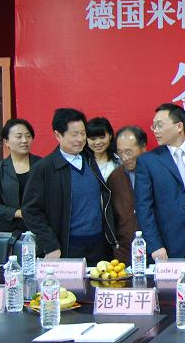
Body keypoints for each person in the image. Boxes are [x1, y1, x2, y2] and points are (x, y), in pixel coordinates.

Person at [22, 108, 116, 263]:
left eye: (83, 133)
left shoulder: (90, 159)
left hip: (99, 244)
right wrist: (50, 244)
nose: (80, 139)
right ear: (58, 135)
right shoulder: (45, 168)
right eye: (74, 134)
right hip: (68, 246)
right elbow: (30, 211)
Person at [134, 103, 185, 261]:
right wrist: (155, 245)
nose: (155, 130)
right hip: (167, 241)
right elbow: (143, 208)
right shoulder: (148, 161)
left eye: (160, 125)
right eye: (154, 126)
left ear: (179, 126)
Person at [0, 118, 41, 234]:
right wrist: (18, 213)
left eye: (28, 136)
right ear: (6, 142)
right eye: (19, 137)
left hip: (40, 229)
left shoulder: (43, 165)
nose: (24, 140)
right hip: (9, 231)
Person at [107, 125, 147, 262]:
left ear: (143, 147)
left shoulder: (158, 172)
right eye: (120, 152)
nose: (124, 158)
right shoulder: (114, 178)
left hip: (155, 250)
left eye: (129, 152)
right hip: (124, 252)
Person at [86, 116, 118, 181]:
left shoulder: (119, 162)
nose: (98, 142)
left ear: (110, 135)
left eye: (102, 137)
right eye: (93, 139)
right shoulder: (82, 162)